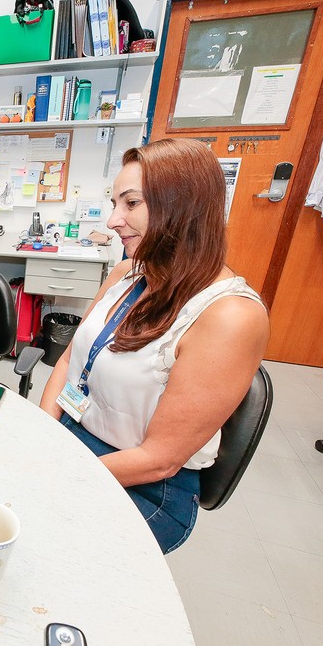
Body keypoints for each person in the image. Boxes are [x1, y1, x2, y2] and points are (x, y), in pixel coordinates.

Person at [39, 138, 270, 553]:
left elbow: (160, 459)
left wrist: (57, 472)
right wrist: (41, 434)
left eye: (131, 204)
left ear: (183, 208)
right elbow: (73, 357)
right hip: (73, 438)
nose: (113, 220)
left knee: (40, 546)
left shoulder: (230, 316)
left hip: (147, 484)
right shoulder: (129, 272)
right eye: (115, 204)